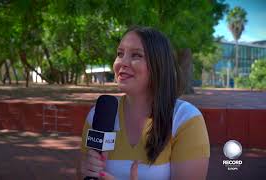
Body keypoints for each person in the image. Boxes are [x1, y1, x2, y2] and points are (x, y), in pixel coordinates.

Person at [77, 26, 210, 180]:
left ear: (158, 65)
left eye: (136, 55)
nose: (122, 63)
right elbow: (82, 174)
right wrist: (84, 170)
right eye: (120, 54)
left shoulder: (185, 119)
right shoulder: (99, 114)